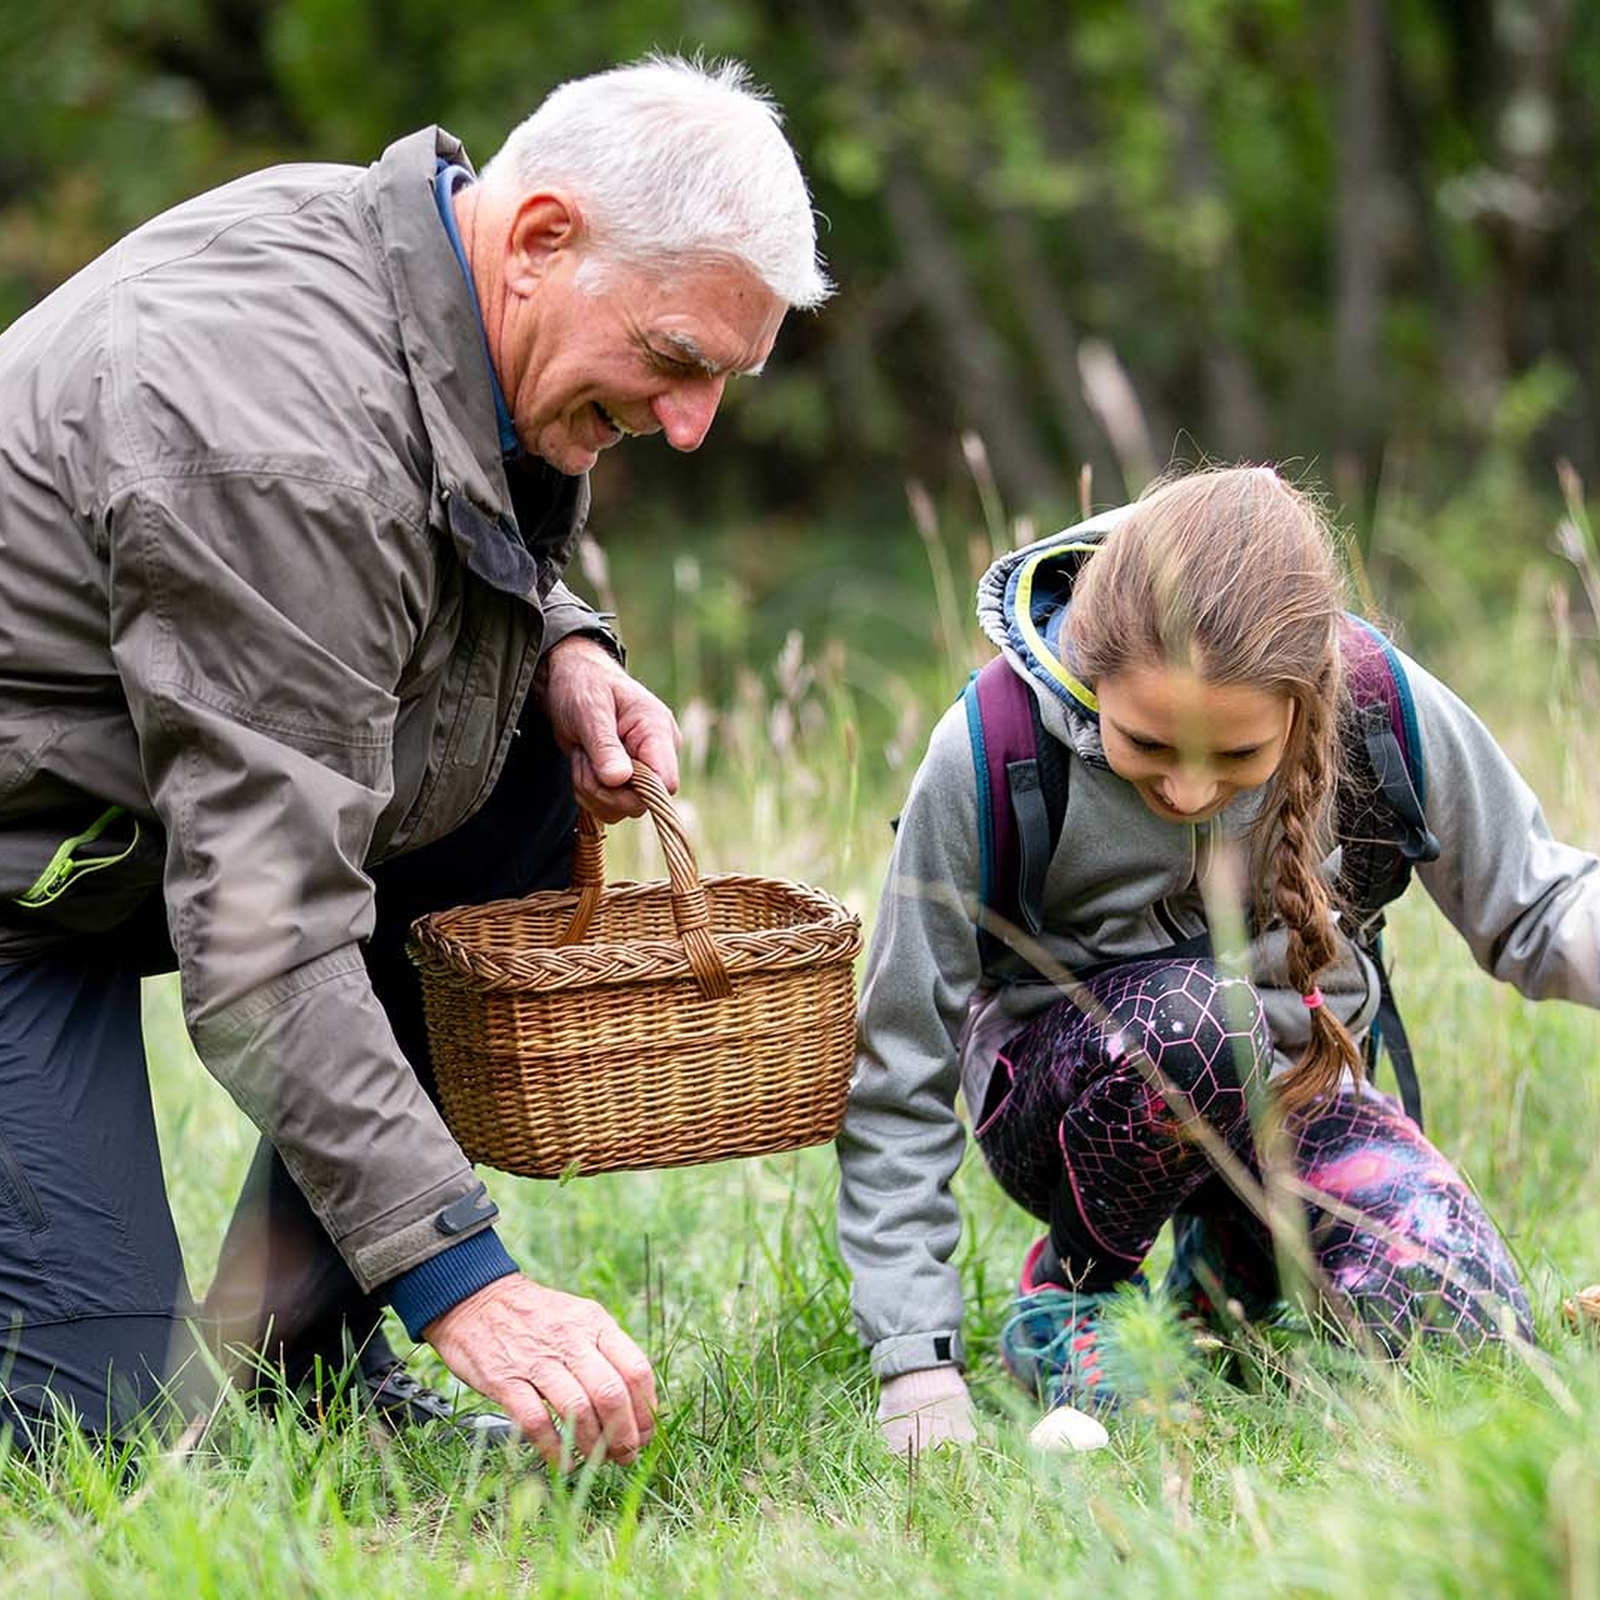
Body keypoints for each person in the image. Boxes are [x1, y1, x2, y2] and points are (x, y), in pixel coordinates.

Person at [0, 54, 829, 1464]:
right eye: (680, 362)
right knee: (100, 1442)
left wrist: (563, 642)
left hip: (130, 804)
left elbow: (408, 525)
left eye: (725, 380)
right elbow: (265, 933)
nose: (691, 426)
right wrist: (464, 1279)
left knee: (516, 760)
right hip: (24, 871)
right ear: (546, 236)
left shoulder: (430, 271)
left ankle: (299, 1365)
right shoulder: (269, 429)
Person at [837, 466, 1597, 1454]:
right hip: (1077, 1112)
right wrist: (915, 1361)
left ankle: (1225, 1279)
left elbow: (1538, 903)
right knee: (1202, 1016)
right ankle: (1071, 1296)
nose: (1190, 791)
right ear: (1093, 668)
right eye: (1145, 743)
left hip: (1297, 1101)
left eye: (1236, 758)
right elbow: (900, 1067)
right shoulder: (988, 747)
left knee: (1468, 1333)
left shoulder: (1377, 703)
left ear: (1302, 697)